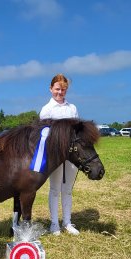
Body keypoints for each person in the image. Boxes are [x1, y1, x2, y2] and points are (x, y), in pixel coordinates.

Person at [39, 74, 79, 236]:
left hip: (71, 155)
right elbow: (43, 135)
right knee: (55, 189)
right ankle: (54, 223)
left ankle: (67, 222)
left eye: (63, 89)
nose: (60, 92)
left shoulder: (73, 108)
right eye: (57, 89)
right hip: (54, 155)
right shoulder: (46, 110)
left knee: (67, 190)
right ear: (51, 89)